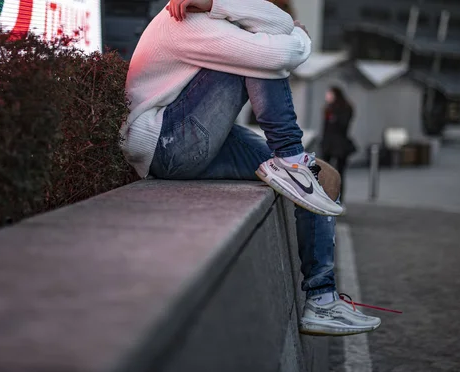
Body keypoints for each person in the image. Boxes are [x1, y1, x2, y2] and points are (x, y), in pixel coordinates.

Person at [120, 0, 382, 335]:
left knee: (317, 177)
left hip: (200, 141)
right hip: (165, 143)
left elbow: (280, 22)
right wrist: (301, 41)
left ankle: (322, 299)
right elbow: (279, 54)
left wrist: (219, 5)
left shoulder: (216, 11)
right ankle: (289, 158)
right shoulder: (182, 20)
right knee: (259, 58)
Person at [320, 86, 355, 201]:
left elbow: (343, 125)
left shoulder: (345, 108)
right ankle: (324, 197)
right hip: (328, 144)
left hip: (340, 145)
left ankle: (339, 199)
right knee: (324, 172)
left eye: (329, 94)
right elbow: (325, 128)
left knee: (339, 173)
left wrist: (334, 117)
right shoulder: (328, 108)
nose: (327, 96)